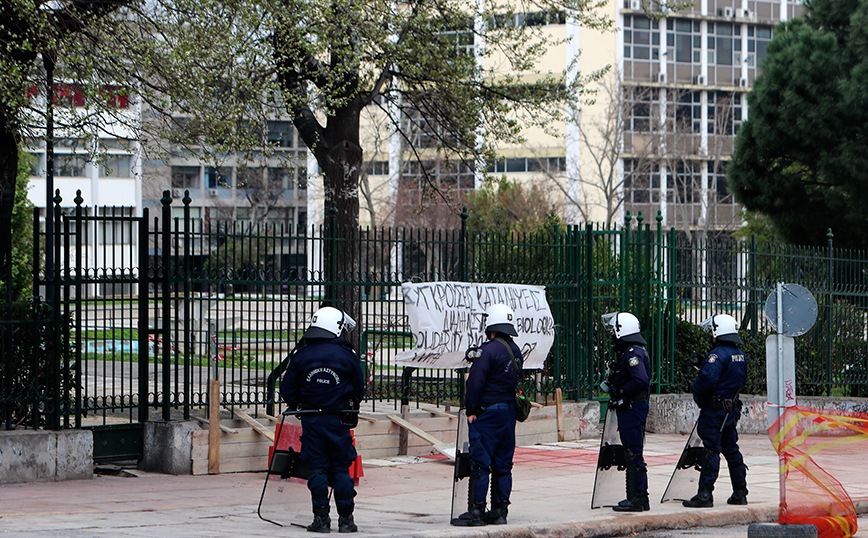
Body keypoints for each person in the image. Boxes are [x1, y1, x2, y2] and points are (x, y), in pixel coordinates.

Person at [280, 306, 365, 533]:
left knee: (317, 469)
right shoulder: (347, 355)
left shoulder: (302, 355)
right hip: (339, 421)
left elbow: (287, 391)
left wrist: (300, 402)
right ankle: (346, 520)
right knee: (340, 469)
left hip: (311, 420)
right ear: (336, 327)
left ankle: (321, 520)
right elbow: (359, 390)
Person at [452, 303, 523, 527]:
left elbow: (475, 383)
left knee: (480, 463)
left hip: (487, 414)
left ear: (491, 324)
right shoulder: (515, 350)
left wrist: (471, 410)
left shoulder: (487, 350)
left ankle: (476, 511)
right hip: (508, 413)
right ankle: (500, 512)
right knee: (503, 464)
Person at [683, 313, 748, 508]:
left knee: (712, 450)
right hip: (730, 410)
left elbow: (705, 383)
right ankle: (740, 491)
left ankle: (704, 494)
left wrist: (702, 400)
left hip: (715, 411)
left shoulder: (717, 355)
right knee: (731, 449)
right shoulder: (740, 354)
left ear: (718, 332)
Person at [603, 311, 651, 512]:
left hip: (632, 408)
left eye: (614, 330)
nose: (612, 334)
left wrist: (620, 390)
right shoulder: (631, 351)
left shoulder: (633, 353)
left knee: (633, 453)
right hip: (631, 408)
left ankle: (637, 498)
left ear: (622, 330)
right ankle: (636, 496)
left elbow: (641, 379)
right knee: (632, 451)